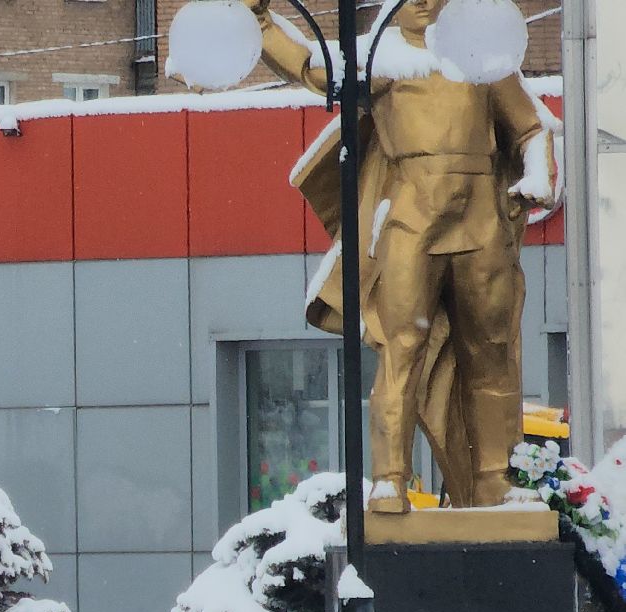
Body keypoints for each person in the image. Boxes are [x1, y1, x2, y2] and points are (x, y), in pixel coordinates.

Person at [239, 0, 558, 510]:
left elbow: (531, 128)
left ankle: (494, 477)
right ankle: (390, 477)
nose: (424, 3)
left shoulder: (478, 55)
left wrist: (539, 174)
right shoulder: (381, 62)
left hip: (481, 224)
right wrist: (258, 21)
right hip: (412, 221)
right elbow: (311, 67)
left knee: (491, 354)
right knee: (401, 349)